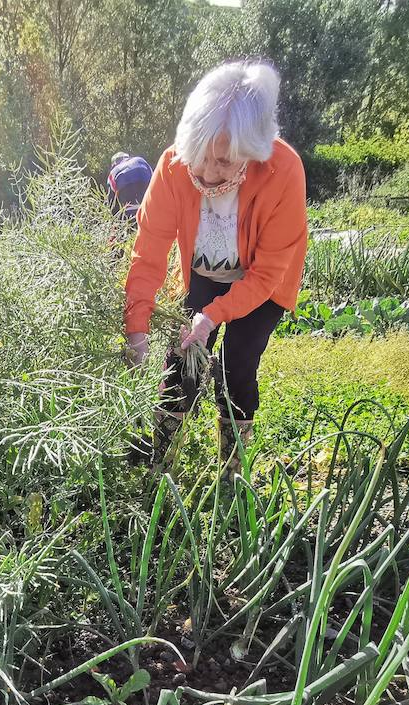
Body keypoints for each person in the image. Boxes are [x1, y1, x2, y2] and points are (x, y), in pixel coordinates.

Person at [123, 60, 307, 474]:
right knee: (182, 362)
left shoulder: (283, 170)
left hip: (262, 284)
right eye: (200, 157)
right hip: (204, 273)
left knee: (235, 366)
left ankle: (231, 471)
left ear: (252, 151)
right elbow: (149, 251)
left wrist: (214, 316)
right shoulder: (173, 167)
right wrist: (137, 325)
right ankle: (161, 464)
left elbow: (266, 274)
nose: (207, 173)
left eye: (223, 162)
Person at [107, 152, 153, 220]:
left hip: (130, 208)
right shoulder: (140, 160)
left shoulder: (113, 172)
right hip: (150, 203)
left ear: (114, 163)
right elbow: (155, 180)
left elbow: (112, 204)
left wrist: (115, 222)